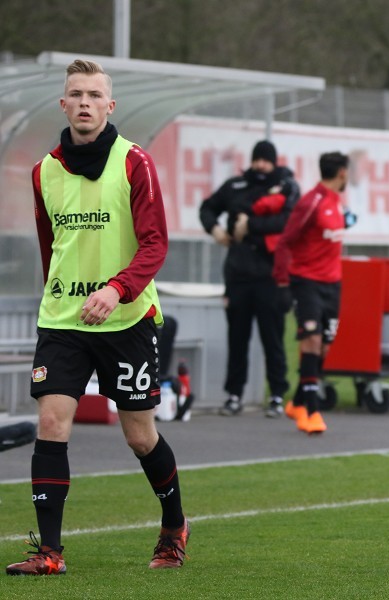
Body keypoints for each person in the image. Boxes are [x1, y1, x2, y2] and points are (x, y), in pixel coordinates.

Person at [6, 59, 189, 575]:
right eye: (75, 94)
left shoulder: (135, 163)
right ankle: (50, 552)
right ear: (63, 105)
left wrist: (117, 288)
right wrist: (60, 298)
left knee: (139, 435)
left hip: (126, 319)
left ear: (110, 106)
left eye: (94, 95)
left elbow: (155, 245)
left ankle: (174, 526)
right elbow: (51, 247)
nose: (84, 102)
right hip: (63, 319)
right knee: (50, 422)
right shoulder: (44, 171)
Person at [199, 139, 299, 418]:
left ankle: (277, 394)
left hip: (270, 276)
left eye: (266, 161)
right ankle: (234, 395)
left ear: (274, 162)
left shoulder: (284, 185)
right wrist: (215, 230)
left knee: (273, 339)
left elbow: (289, 222)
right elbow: (207, 207)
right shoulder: (235, 186)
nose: (261, 165)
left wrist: (249, 225)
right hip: (238, 275)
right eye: (257, 160)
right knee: (237, 338)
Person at [273, 152, 351, 435]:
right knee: (311, 342)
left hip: (333, 285)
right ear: (343, 173)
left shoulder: (337, 202)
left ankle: (296, 401)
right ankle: (312, 411)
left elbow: (328, 233)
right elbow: (285, 242)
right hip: (306, 283)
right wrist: (282, 283)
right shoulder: (312, 201)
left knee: (325, 347)